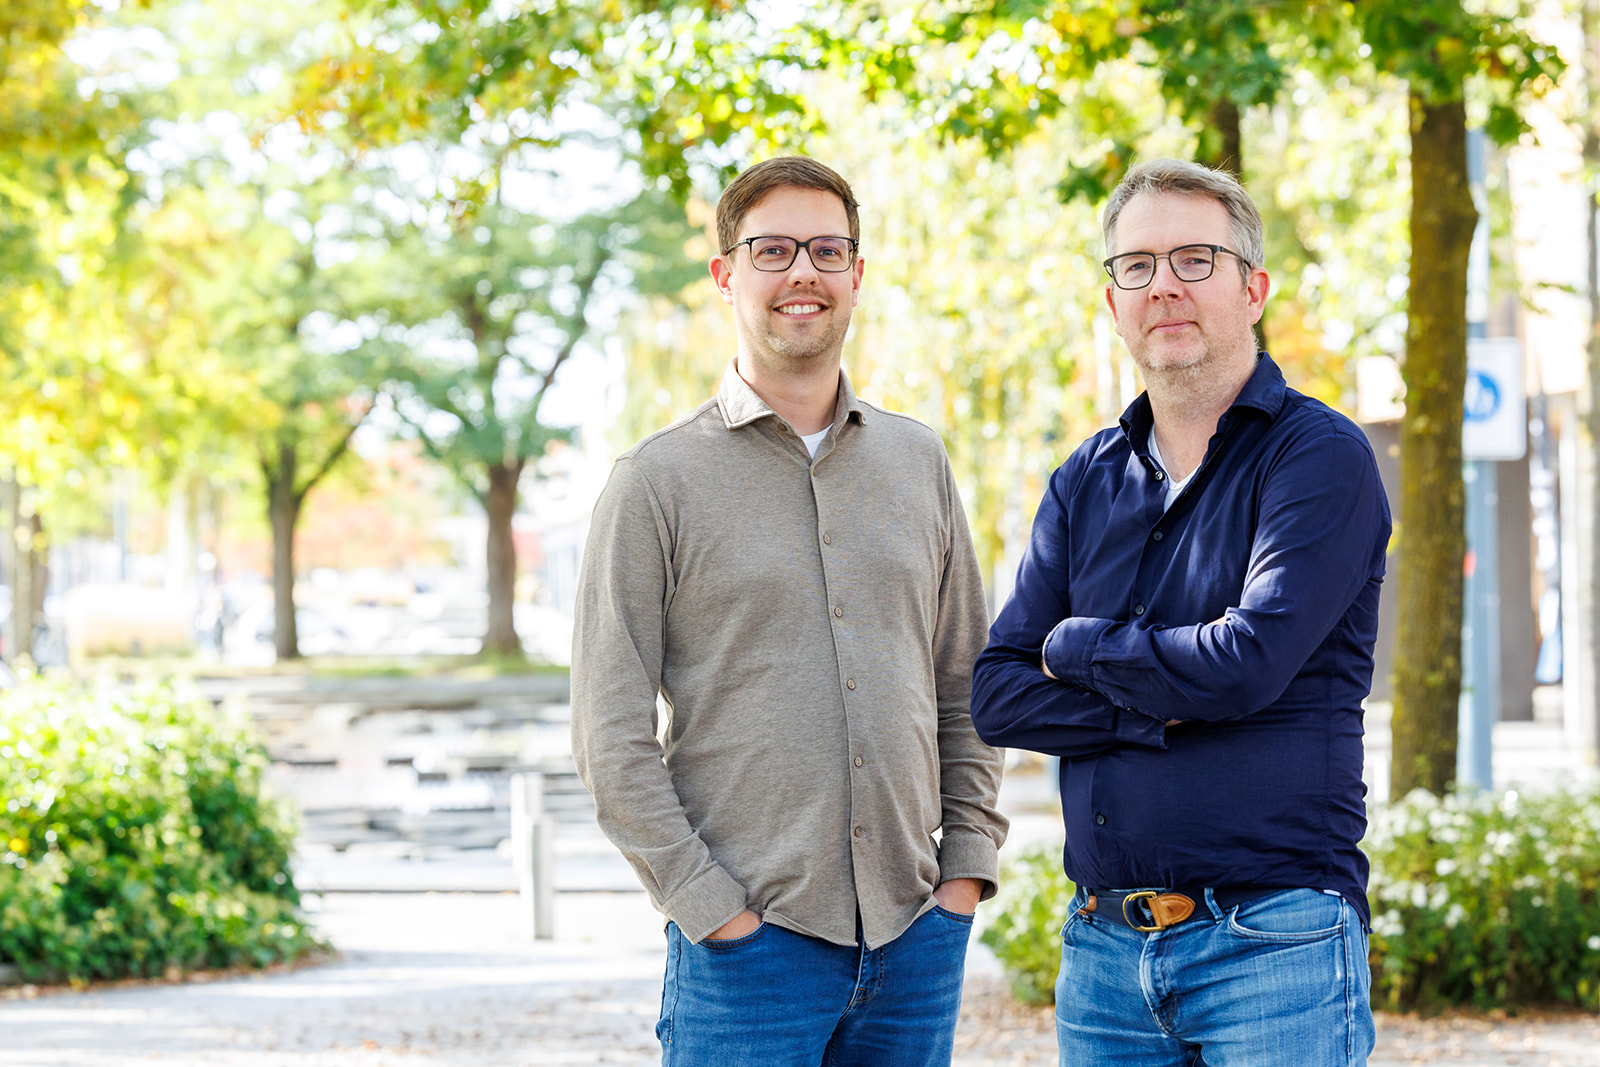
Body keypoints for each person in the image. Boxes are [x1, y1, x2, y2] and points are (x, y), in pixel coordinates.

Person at [571, 155, 1008, 1066]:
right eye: (773, 249)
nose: (803, 271)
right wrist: (713, 911)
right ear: (728, 275)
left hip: (912, 943)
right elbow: (608, 736)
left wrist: (963, 873)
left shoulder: (918, 462)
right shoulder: (654, 484)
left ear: (857, 274)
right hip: (747, 958)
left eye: (827, 249)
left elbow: (967, 684)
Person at [970, 157, 1389, 1066]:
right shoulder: (1086, 479)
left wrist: (1078, 645)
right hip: (1103, 956)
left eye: (1196, 259)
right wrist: (1166, 701)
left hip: (1273, 946)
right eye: (1138, 265)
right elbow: (1000, 693)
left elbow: (1243, 664)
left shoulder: (1319, 461)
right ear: (1113, 299)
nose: (1164, 285)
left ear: (1253, 287)